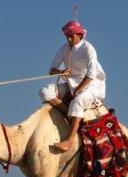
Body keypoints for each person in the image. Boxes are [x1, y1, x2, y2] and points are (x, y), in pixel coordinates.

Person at [39, 20, 106, 152]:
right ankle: (72, 115)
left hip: (91, 84)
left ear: (80, 34)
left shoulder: (88, 48)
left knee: (78, 101)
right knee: (44, 91)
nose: (69, 39)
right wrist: (60, 72)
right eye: (67, 36)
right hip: (71, 82)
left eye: (71, 36)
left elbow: (91, 74)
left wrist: (78, 90)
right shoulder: (64, 49)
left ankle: (69, 141)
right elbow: (52, 69)